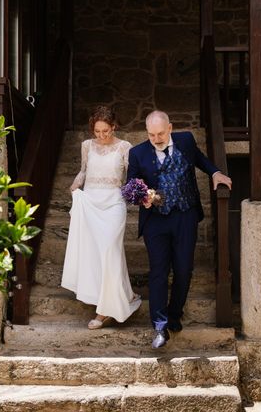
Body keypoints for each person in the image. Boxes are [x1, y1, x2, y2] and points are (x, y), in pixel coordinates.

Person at [127, 110, 232, 348]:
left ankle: (174, 314)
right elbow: (131, 184)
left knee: (184, 269)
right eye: (152, 134)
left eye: (161, 133)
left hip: (185, 215)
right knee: (158, 272)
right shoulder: (137, 153)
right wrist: (142, 197)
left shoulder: (186, 141)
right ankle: (160, 326)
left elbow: (200, 159)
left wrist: (215, 173)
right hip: (156, 220)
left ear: (170, 128)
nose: (157, 138)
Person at [61, 106, 142, 329]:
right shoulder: (87, 146)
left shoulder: (125, 147)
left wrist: (140, 191)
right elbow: (84, 171)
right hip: (91, 202)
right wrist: (75, 185)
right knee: (96, 254)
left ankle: (105, 311)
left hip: (114, 203)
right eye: (97, 131)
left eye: (105, 131)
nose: (101, 136)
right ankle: (125, 294)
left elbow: (133, 175)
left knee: (110, 250)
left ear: (113, 127)